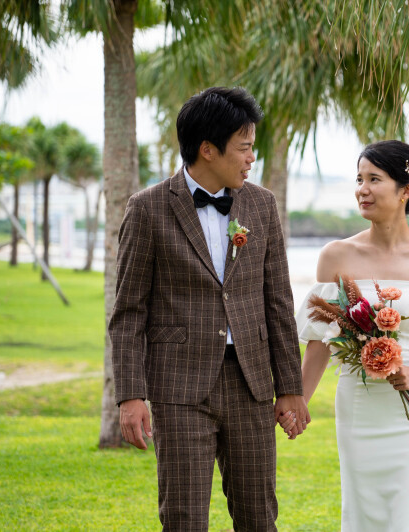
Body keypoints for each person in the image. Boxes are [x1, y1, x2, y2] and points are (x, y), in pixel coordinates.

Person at [109, 86, 309, 532]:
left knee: (259, 517)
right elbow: (128, 314)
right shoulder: (147, 208)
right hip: (178, 386)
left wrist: (290, 387)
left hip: (251, 382)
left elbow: (278, 301)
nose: (251, 158)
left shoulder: (262, 204)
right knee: (183, 518)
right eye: (244, 148)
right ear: (207, 149)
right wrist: (130, 395)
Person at [285, 140, 409, 531]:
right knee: (364, 513)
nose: (362, 188)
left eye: (374, 179)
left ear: (405, 190)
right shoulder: (336, 255)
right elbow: (321, 340)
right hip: (359, 408)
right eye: (359, 179)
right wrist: (300, 401)